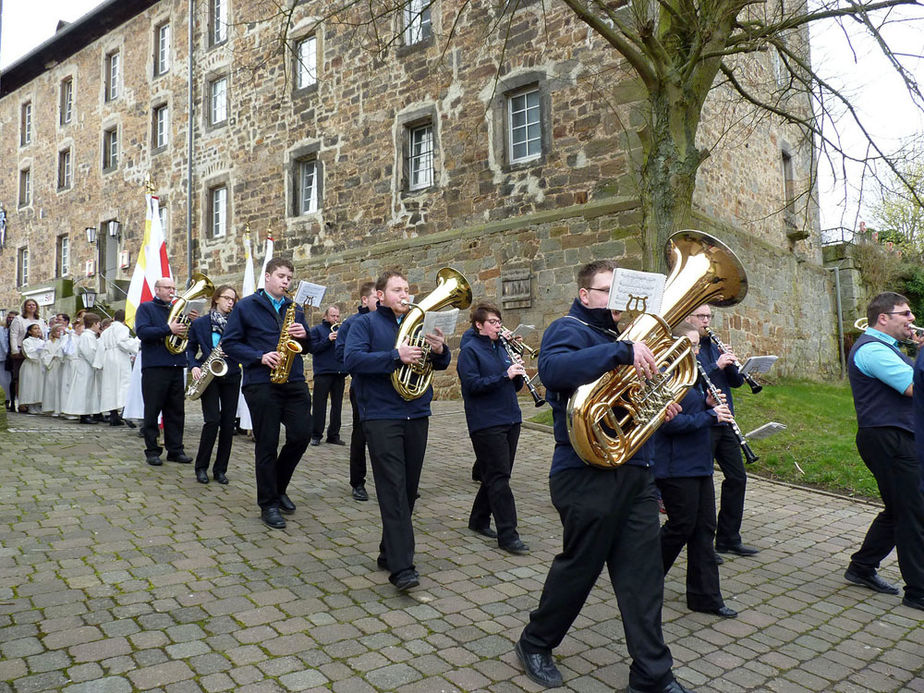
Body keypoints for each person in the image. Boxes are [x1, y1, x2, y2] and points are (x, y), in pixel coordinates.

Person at [515, 260, 691, 692]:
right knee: (580, 567)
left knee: (643, 578)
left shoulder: (625, 339)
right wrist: (620, 352)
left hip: (635, 474)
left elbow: (625, 406)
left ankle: (653, 675)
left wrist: (656, 409)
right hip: (584, 474)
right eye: (606, 289)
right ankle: (535, 643)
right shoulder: (568, 329)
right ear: (585, 295)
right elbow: (553, 373)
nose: (615, 298)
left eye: (619, 290)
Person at [343, 269, 451, 592]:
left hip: (417, 412)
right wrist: (395, 355)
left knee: (408, 489)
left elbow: (440, 365)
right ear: (380, 296)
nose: (405, 295)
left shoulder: (421, 323)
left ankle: (388, 551)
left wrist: (439, 350)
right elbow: (352, 360)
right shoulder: (364, 324)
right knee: (392, 488)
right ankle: (403, 568)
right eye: (397, 290)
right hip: (381, 415)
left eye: (407, 289)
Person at [222, 258, 314, 529]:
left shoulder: (294, 308)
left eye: (289, 278)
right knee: (267, 442)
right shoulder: (246, 306)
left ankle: (278, 486)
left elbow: (308, 347)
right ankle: (269, 503)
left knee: (301, 434)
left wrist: (304, 335)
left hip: (293, 380)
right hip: (261, 382)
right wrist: (259, 356)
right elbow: (230, 344)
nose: (286, 282)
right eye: (282, 276)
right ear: (268, 278)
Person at [654, 322, 737, 619]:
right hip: (675, 465)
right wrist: (710, 416)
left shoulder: (695, 376)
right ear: (672, 347)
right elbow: (669, 424)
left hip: (698, 462)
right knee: (680, 527)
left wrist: (707, 402)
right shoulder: (662, 375)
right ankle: (646, 579)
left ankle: (705, 597)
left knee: (704, 529)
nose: (694, 350)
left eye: (696, 346)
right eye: (687, 345)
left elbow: (693, 411)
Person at [847, 292, 924, 611]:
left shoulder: (886, 349)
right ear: (884, 318)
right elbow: (913, 387)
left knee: (899, 509)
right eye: (905, 314)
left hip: (893, 436)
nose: (912, 319)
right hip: (889, 439)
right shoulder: (874, 351)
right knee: (913, 513)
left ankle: (862, 567)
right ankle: (918, 590)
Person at [685, 304, 758, 557]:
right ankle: (703, 546)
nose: (706, 321)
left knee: (737, 477)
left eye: (708, 316)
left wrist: (734, 365)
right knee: (703, 485)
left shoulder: (715, 344)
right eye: (701, 316)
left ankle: (728, 538)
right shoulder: (686, 346)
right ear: (689, 318)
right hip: (703, 419)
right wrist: (716, 365)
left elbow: (735, 383)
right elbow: (688, 379)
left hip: (725, 419)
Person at [457, 302, 529, 554]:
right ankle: (508, 535)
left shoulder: (502, 348)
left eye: (499, 322)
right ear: (479, 325)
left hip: (510, 418)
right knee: (500, 478)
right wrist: (504, 375)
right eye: (493, 322)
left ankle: (477, 520)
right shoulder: (469, 351)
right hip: (486, 422)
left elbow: (514, 387)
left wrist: (517, 373)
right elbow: (472, 385)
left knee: (496, 474)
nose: (499, 327)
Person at [135, 277, 193, 466]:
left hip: (176, 364)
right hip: (155, 367)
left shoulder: (176, 310)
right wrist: (169, 329)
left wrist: (191, 323)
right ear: (157, 289)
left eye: (173, 288)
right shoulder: (146, 308)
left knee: (176, 411)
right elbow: (143, 332)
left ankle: (175, 449)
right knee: (152, 410)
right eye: (167, 288)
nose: (171, 291)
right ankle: (152, 450)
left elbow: (187, 336)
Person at [187, 285, 241, 485]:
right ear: (217, 298)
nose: (230, 302)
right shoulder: (200, 323)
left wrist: (235, 351)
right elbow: (191, 349)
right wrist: (193, 366)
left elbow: (245, 346)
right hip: (209, 374)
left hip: (232, 374)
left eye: (233, 300)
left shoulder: (237, 324)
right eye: (227, 298)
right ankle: (201, 467)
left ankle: (220, 469)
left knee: (228, 424)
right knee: (212, 421)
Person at [335, 281, 376, 501]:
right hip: (363, 386)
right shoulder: (352, 323)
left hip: (390, 387)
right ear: (365, 300)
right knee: (361, 435)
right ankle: (357, 482)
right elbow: (342, 356)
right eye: (376, 299)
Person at [309, 305, 347, 447]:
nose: (336, 319)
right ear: (325, 316)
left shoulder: (342, 331)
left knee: (337, 406)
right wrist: (328, 339)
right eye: (333, 316)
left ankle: (333, 435)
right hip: (323, 372)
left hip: (339, 372)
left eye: (337, 316)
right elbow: (313, 349)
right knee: (320, 405)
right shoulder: (317, 330)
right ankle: (316, 435)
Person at [99, 309, 140, 426]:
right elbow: (122, 342)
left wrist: (99, 362)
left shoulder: (106, 331)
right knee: (124, 384)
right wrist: (136, 344)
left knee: (110, 387)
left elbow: (101, 346)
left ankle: (113, 415)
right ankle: (125, 412)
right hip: (119, 357)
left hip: (108, 359)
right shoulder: (122, 328)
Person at [62, 313, 103, 424]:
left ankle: (89, 412)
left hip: (88, 367)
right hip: (85, 367)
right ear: (94, 323)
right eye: (99, 323)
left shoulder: (89, 335)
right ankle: (84, 414)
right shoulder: (87, 336)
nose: (99, 326)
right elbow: (88, 352)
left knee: (89, 390)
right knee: (84, 390)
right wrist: (97, 363)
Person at [9, 300, 47, 411]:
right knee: (19, 378)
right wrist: (14, 350)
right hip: (22, 348)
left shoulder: (40, 320)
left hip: (37, 348)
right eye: (29, 305)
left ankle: (36, 401)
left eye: (33, 305)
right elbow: (14, 335)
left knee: (35, 378)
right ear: (25, 307)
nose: (31, 307)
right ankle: (21, 403)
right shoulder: (19, 319)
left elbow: (42, 334)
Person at [19, 324, 46, 414]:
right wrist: (37, 351)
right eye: (35, 328)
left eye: (38, 328)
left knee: (39, 385)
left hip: (40, 365)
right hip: (30, 365)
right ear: (30, 331)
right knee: (30, 385)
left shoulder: (42, 342)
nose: (38, 330)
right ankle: (30, 405)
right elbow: (28, 353)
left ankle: (38, 404)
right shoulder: (26, 341)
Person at [41, 324, 67, 416]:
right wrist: (52, 356)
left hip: (62, 366)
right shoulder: (49, 343)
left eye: (62, 331)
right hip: (52, 366)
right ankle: (52, 408)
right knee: (52, 387)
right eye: (58, 331)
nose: (60, 333)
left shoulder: (65, 341)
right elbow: (44, 356)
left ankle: (61, 408)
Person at [1, 311, 16, 410]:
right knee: (4, 379)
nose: (11, 320)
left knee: (12, 380)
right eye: (9, 318)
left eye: (13, 318)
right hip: (4, 357)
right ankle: (6, 399)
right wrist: (8, 353)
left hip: (13, 357)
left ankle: (12, 399)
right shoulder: (3, 329)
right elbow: (3, 343)